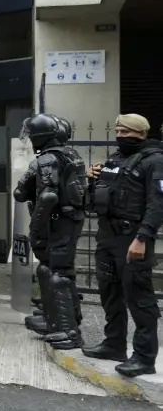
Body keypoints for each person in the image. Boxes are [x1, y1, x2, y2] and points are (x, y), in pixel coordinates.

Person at [83, 113, 163, 377]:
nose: (120, 136)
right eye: (117, 131)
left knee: (139, 299)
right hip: (108, 236)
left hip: (133, 239)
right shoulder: (115, 159)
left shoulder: (155, 161)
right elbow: (104, 192)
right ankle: (114, 344)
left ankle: (144, 357)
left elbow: (157, 204)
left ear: (141, 134)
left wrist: (142, 238)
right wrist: (92, 176)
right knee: (110, 293)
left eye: (126, 132)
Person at [19, 113, 87, 351]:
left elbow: (47, 195)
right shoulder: (71, 154)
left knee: (58, 274)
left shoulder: (48, 159)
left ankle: (69, 331)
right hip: (68, 220)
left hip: (58, 222)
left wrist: (35, 227)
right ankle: (56, 320)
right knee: (54, 271)